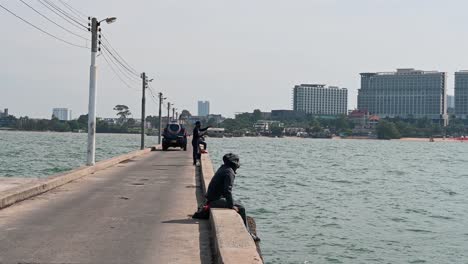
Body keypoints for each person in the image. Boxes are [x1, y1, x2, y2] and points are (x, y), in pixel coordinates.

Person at [205, 153, 260, 242]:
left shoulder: (223, 168)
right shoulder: (229, 172)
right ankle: (248, 234)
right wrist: (231, 206)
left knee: (237, 202)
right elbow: (227, 191)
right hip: (214, 201)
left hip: (212, 198)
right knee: (241, 208)